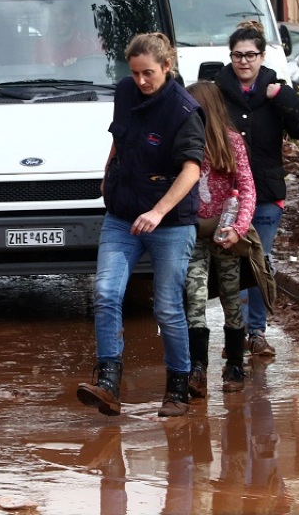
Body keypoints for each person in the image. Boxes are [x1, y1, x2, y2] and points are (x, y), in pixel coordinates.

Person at [76, 32, 205, 418]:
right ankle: (108, 382)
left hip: (170, 221)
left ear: (168, 67)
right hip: (122, 214)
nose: (141, 81)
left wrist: (159, 211)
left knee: (167, 308)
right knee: (105, 293)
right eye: (135, 73)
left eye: (148, 73)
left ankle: (178, 388)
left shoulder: (185, 111)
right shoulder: (126, 92)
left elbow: (192, 171)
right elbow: (120, 135)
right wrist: (108, 171)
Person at [214, 21, 299, 358]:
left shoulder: (277, 91)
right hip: (227, 197)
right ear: (230, 57)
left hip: (267, 195)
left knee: (260, 261)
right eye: (238, 55)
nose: (244, 61)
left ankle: (256, 332)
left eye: (251, 55)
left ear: (261, 56)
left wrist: (283, 96)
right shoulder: (217, 93)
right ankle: (235, 331)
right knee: (229, 264)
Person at [182, 80, 256, 396]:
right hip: (193, 232)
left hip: (225, 231)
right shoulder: (185, 140)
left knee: (230, 294)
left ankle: (235, 365)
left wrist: (238, 229)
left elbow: (249, 188)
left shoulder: (231, 142)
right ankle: (198, 367)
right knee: (195, 296)